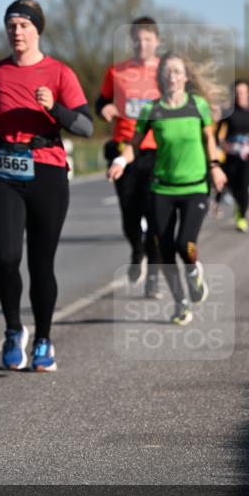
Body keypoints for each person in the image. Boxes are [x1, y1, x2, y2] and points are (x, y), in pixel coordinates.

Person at [0, 0, 93, 372]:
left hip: (47, 171)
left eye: (24, 24)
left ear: (38, 30)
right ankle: (14, 330)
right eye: (11, 24)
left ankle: (44, 339)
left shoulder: (59, 73)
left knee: (42, 263)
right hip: (4, 170)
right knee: (6, 258)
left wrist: (54, 108)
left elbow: (86, 126)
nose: (17, 31)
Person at [108, 52, 227, 326]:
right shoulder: (152, 110)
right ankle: (180, 302)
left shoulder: (198, 105)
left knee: (186, 245)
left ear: (186, 77)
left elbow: (209, 140)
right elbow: (134, 144)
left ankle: (194, 270)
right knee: (164, 250)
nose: (172, 76)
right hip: (162, 189)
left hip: (195, 186)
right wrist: (120, 161)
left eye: (177, 71)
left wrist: (215, 166)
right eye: (167, 72)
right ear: (161, 78)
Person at [96, 17, 162, 297]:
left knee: (157, 219)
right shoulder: (117, 71)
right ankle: (137, 250)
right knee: (129, 217)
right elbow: (101, 101)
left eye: (148, 38)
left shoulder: (167, 72)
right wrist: (105, 110)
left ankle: (154, 278)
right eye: (137, 38)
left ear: (157, 41)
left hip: (157, 151)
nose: (142, 44)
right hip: (124, 151)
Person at [217, 81, 249, 232]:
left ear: (248, 93)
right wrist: (223, 144)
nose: (240, 94)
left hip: (247, 156)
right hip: (231, 156)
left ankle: (242, 216)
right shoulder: (229, 111)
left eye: (243, 91)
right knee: (232, 186)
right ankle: (239, 205)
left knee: (244, 186)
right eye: (237, 92)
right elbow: (218, 133)